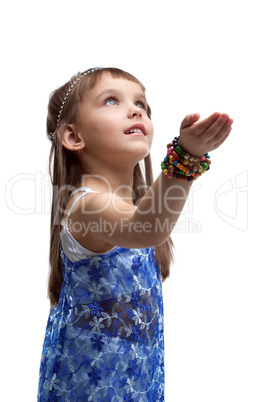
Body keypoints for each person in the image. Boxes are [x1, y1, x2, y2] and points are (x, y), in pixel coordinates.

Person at [37, 67, 233, 401]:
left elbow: (146, 221)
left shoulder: (134, 208)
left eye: (142, 103)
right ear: (73, 136)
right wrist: (185, 157)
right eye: (111, 100)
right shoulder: (87, 206)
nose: (135, 109)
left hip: (139, 386)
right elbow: (147, 228)